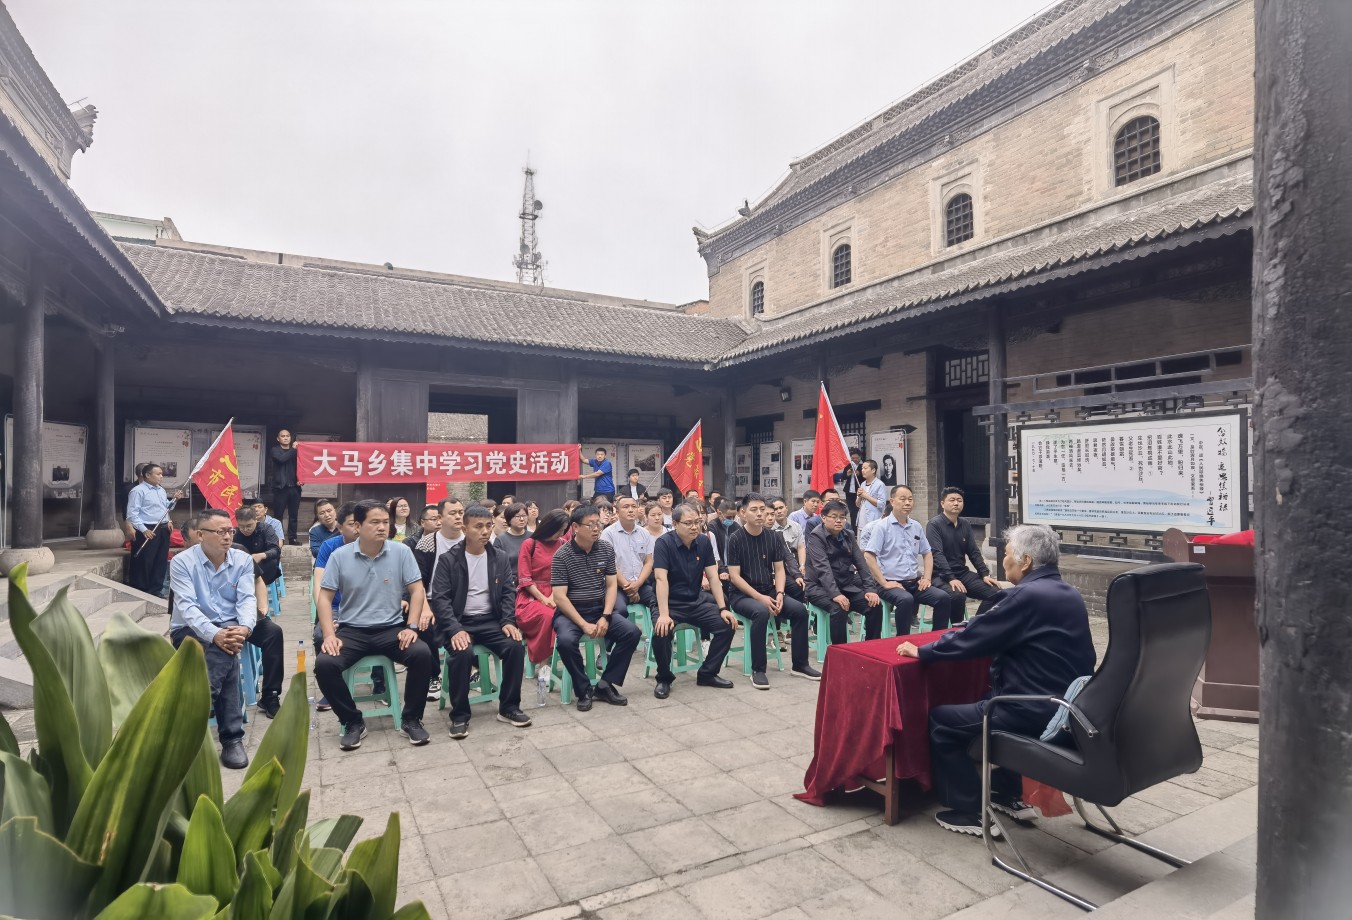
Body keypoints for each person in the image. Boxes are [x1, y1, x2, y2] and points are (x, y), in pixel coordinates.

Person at [897, 524, 1095, 837]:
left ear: (1026, 561)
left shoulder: (1026, 596)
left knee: (941, 721)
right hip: (1066, 707)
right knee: (980, 699)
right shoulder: (1069, 593)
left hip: (1027, 709)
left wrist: (923, 652)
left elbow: (973, 639)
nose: (1004, 560)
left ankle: (969, 809)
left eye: (1007, 553)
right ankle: (1006, 790)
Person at [314, 500, 435, 751]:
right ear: (358, 526)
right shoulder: (340, 556)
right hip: (352, 630)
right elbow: (324, 598)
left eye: (385, 522)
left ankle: (411, 719)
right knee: (325, 664)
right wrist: (329, 635)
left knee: (422, 654)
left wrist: (411, 627)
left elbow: (417, 590)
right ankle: (352, 721)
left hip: (391, 629)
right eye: (375, 522)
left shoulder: (401, 552)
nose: (382, 527)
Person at [168, 508, 261, 768]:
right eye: (220, 531)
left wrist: (245, 628)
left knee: (226, 648)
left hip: (230, 627)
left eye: (230, 531)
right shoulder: (182, 562)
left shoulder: (242, 560)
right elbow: (187, 607)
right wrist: (215, 634)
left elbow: (247, 599)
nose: (227, 536)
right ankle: (231, 739)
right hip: (189, 629)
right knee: (226, 651)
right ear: (200, 535)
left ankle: (195, 709)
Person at [430, 505, 533, 738]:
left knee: (515, 647)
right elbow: (441, 600)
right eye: (478, 526)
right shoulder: (449, 560)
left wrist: (508, 621)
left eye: (488, 526)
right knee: (462, 653)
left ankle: (509, 707)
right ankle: (459, 715)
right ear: (465, 528)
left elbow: (508, 593)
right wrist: (454, 629)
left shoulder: (499, 557)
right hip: (459, 622)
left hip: (491, 621)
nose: (485, 531)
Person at [550, 505, 641, 711]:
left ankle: (605, 684)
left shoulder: (605, 548)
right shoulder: (562, 556)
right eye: (590, 525)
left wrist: (606, 616)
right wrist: (583, 624)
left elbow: (611, 585)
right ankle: (583, 689)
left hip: (599, 609)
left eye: (598, 523)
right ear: (575, 527)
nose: (596, 528)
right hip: (571, 614)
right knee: (565, 641)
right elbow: (559, 597)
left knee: (632, 633)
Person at [725, 494, 820, 688]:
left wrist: (779, 593)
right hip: (742, 595)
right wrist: (760, 598)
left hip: (769, 590)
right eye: (754, 510)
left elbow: (779, 569)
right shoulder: (735, 538)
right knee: (760, 612)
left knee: (800, 611)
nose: (760, 514)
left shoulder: (773, 537)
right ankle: (758, 670)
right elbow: (734, 576)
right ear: (743, 513)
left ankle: (800, 665)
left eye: (762, 509)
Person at [650, 503, 737, 698]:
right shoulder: (664, 543)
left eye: (697, 522)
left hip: (695, 601)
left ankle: (707, 673)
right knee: (661, 631)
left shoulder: (703, 542)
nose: (694, 527)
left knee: (726, 625)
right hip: (669, 603)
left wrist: (723, 608)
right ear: (675, 524)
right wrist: (663, 614)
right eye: (688, 523)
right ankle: (664, 678)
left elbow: (713, 577)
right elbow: (661, 579)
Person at [861, 484, 958, 634]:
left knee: (943, 598)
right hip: (890, 584)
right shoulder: (882, 527)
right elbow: (869, 555)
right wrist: (884, 583)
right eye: (903, 499)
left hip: (913, 582)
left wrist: (927, 578)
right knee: (906, 600)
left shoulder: (916, 526)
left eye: (910, 499)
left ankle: (937, 640)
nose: (907, 503)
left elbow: (927, 553)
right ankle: (902, 640)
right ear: (892, 501)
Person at [805, 500, 883, 643]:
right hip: (819, 588)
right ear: (823, 517)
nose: (838, 520)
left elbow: (861, 564)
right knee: (839, 609)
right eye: (834, 516)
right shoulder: (816, 537)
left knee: (875, 606)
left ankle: (871, 646)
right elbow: (823, 569)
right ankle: (840, 651)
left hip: (845, 585)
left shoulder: (848, 535)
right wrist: (835, 594)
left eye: (842, 517)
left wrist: (870, 589)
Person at [926, 487, 1002, 614]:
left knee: (997, 593)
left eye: (959, 500)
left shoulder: (965, 524)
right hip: (940, 575)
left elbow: (974, 552)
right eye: (952, 500)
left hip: (962, 573)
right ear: (942, 503)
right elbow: (937, 554)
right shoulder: (934, 524)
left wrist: (984, 574)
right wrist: (951, 578)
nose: (956, 503)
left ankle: (976, 623)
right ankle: (958, 626)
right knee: (958, 595)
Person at [516, 509, 567, 674]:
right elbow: (525, 578)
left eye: (564, 531)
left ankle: (566, 657)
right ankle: (543, 662)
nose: (561, 534)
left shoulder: (562, 544)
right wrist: (544, 598)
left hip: (557, 591)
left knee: (567, 615)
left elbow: (562, 575)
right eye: (559, 530)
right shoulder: (529, 544)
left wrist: (553, 596)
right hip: (531, 595)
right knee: (548, 616)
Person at [126, 462, 183, 596]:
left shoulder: (160, 490)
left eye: (161, 474)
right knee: (145, 559)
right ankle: (141, 588)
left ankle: (155, 589)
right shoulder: (138, 491)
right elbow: (132, 514)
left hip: (162, 528)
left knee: (160, 559)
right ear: (147, 475)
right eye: (158, 474)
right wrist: (143, 529)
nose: (161, 477)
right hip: (147, 528)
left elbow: (165, 508)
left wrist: (174, 500)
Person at [601, 495, 657, 618]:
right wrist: (629, 588)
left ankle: (658, 631)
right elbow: (610, 565)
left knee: (659, 603)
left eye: (633, 507)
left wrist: (637, 584)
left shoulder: (644, 533)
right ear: (617, 511)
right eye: (626, 507)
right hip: (616, 586)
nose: (631, 510)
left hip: (640, 584)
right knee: (619, 611)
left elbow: (648, 562)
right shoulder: (608, 534)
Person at [412, 496, 465, 589]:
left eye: (461, 513)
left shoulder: (471, 541)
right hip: (432, 596)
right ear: (440, 518)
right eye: (452, 513)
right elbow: (418, 581)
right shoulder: (426, 543)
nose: (458, 517)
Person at [232, 505, 282, 590]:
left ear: (256, 520)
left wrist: (262, 555)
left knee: (272, 561)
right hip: (243, 568)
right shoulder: (235, 533)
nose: (245, 529)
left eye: (249, 525)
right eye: (241, 526)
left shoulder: (266, 529)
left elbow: (276, 550)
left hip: (264, 568)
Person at [770, 497, 807, 601]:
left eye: (781, 508)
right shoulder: (770, 528)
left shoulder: (796, 526)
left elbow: (800, 547)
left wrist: (802, 566)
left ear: (786, 508)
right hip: (778, 566)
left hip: (794, 562)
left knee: (805, 584)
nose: (779, 511)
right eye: (775, 509)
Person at [269, 429, 301, 545]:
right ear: (278, 439)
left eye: (288, 436)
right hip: (280, 488)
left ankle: (292, 539)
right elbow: (281, 459)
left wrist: (301, 479)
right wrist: (293, 449)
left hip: (294, 488)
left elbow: (302, 465)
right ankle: (278, 539)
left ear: (290, 438)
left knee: (293, 515)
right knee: (278, 515)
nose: (286, 438)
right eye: (283, 436)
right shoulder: (275, 450)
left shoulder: (297, 451)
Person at [854, 460, 888, 531]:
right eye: (862, 468)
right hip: (861, 522)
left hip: (873, 523)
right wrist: (859, 496)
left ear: (873, 470)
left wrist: (866, 496)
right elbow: (857, 505)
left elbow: (881, 504)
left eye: (865, 468)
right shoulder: (862, 484)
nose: (862, 470)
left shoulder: (880, 485)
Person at [837, 448, 864, 521]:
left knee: (858, 510)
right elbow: (843, 477)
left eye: (857, 458)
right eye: (853, 458)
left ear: (860, 457)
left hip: (859, 491)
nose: (855, 460)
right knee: (851, 510)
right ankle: (853, 525)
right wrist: (847, 474)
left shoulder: (863, 466)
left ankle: (857, 524)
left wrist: (859, 474)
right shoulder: (849, 465)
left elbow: (866, 478)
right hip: (849, 491)